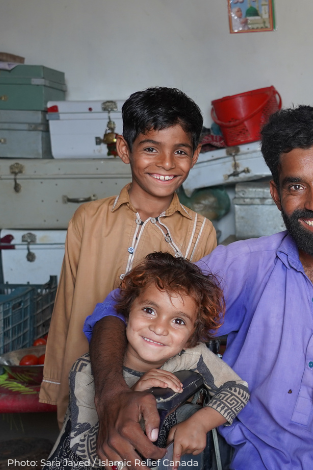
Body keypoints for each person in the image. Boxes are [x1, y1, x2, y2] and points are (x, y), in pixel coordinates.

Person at [83, 103, 313, 470]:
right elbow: (115, 310)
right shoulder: (245, 265)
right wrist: (111, 395)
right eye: (296, 186)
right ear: (275, 193)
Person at [39, 87, 217, 428]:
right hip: (84, 383)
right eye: (150, 148)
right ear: (124, 149)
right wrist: (56, 385)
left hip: (153, 394)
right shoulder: (88, 219)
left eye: (180, 151)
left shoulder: (200, 231)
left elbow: (194, 322)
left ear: (195, 155)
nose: (166, 163)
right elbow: (66, 308)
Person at [38, 253, 249, 470]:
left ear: (191, 337)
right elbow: (86, 452)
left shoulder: (192, 354)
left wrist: (199, 423)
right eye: (149, 310)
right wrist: (133, 393)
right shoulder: (87, 370)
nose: (159, 328)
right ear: (126, 313)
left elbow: (237, 389)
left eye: (178, 321)